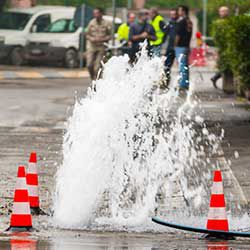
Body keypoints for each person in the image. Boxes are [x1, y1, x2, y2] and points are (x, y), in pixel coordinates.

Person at [86, 8, 111, 80]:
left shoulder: (107, 23)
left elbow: (110, 36)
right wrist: (91, 38)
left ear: (101, 14)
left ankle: (96, 81)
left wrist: (103, 39)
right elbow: (87, 34)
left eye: (97, 13)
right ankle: (92, 78)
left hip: (101, 47)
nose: (95, 15)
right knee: (89, 65)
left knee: (97, 67)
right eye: (94, 13)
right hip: (92, 46)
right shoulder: (91, 23)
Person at [211, 6, 230, 88]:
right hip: (222, 47)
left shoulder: (230, 22)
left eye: (224, 11)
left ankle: (216, 77)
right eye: (221, 11)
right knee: (224, 64)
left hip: (229, 46)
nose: (223, 13)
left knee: (226, 65)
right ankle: (216, 77)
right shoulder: (218, 23)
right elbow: (216, 37)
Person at [174, 5, 193, 90]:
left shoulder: (181, 21)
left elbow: (178, 34)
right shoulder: (189, 21)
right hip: (186, 45)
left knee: (182, 66)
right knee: (185, 65)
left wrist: (175, 44)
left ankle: (183, 84)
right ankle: (185, 82)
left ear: (183, 12)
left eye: (179, 11)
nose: (178, 12)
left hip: (180, 46)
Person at [164, 8, 178, 87]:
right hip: (170, 47)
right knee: (167, 66)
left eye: (174, 14)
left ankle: (181, 84)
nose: (172, 16)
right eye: (171, 14)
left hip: (178, 48)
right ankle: (166, 82)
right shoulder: (169, 23)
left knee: (181, 67)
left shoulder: (179, 23)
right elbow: (165, 35)